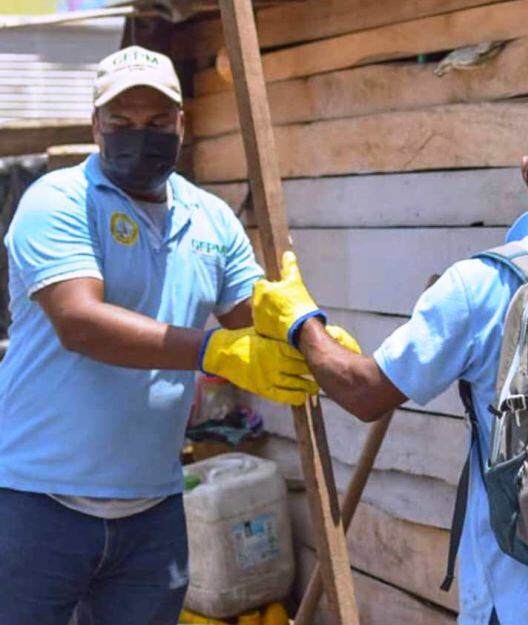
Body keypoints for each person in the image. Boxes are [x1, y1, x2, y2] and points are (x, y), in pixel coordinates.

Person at [252, 96, 528, 625]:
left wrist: (302, 322)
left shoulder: (477, 285)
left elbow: (364, 392)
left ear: (527, 173)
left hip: (524, 596)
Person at [0, 46, 321, 625]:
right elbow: (80, 322)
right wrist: (211, 350)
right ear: (96, 124)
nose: (138, 136)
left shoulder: (210, 217)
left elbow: (250, 312)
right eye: (121, 122)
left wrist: (301, 325)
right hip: (35, 500)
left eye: (156, 122)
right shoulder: (57, 200)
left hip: (153, 507)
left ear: (182, 124)